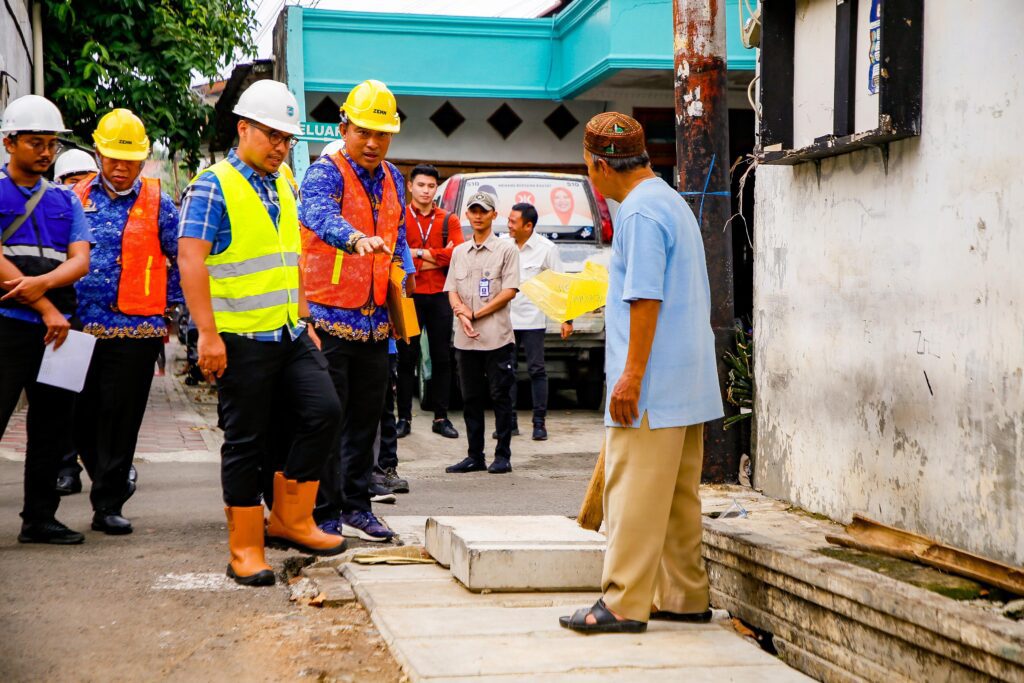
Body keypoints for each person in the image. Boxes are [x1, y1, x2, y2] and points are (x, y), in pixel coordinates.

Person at [560, 113, 724, 634]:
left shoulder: (637, 213)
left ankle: (623, 602)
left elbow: (645, 297)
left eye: (588, 166)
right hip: (688, 382)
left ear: (601, 165)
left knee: (631, 495)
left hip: (651, 385)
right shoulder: (669, 200)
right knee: (675, 498)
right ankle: (684, 595)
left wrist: (630, 376)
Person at [178, 79, 345, 587]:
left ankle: (291, 519)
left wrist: (305, 318)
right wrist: (207, 336)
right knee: (245, 442)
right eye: (272, 135)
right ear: (243, 129)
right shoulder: (213, 185)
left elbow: (290, 259)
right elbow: (190, 260)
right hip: (239, 338)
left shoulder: (284, 184)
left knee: (324, 411)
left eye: (287, 138)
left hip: (288, 333)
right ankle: (246, 547)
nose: (280, 146)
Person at [299, 79, 408, 543]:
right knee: (329, 419)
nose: (372, 142)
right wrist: (355, 238)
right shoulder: (324, 173)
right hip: (328, 319)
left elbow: (398, 234)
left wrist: (401, 277)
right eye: (363, 131)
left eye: (382, 134)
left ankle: (358, 508)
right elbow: (317, 214)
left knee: (366, 422)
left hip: (375, 322)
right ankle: (324, 513)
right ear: (343, 128)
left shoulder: (394, 177)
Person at [66, 109, 181, 535]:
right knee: (77, 414)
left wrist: (170, 307)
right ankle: (106, 475)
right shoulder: (72, 198)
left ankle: (108, 502)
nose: (120, 167)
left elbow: (180, 256)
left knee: (121, 416)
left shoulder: (159, 202)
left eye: (129, 160)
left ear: (142, 159)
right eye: (113, 157)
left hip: (137, 328)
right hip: (78, 326)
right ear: (98, 153)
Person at [0, 95, 92, 544]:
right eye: (35, 142)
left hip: (62, 331)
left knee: (53, 427)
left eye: (51, 144)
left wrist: (44, 286)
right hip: (9, 324)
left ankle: (39, 518)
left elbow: (80, 260)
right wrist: (45, 305)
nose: (45, 152)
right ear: (9, 143)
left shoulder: (65, 199)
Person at [443, 190, 520, 475]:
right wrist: (461, 313)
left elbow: (509, 291)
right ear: (467, 214)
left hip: (496, 337)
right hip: (466, 339)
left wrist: (475, 314)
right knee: (470, 398)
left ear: (493, 215)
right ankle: (475, 455)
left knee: (500, 396)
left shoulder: (506, 250)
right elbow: (452, 289)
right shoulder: (459, 252)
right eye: (473, 211)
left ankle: (503, 455)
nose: (478, 216)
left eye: (483, 211)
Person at [395, 164, 464, 441]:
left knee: (441, 357)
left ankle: (441, 417)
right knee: (406, 357)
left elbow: (457, 256)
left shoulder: (449, 220)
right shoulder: (400, 217)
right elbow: (396, 256)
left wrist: (417, 254)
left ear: (437, 188)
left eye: (431, 186)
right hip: (409, 297)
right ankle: (403, 418)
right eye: (421, 185)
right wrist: (437, 257)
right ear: (410, 186)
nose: (426, 191)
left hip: (439, 296)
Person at [505, 202, 573, 441]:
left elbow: (561, 285)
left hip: (533, 319)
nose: (508, 225)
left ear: (528, 226)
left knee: (537, 369)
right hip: (506, 319)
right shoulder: (503, 244)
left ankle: (539, 423)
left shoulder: (546, 249)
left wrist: (567, 319)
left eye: (513, 221)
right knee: (507, 370)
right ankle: (509, 422)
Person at [371, 240, 415, 499]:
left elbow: (409, 284)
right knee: (379, 409)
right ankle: (378, 470)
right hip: (354, 338)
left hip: (384, 341)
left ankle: (386, 468)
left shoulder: (396, 239)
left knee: (383, 408)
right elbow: (408, 285)